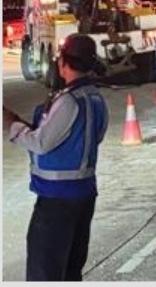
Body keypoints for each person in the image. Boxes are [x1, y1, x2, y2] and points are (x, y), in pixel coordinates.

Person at [3, 33, 109, 281]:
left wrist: (11, 125)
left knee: (45, 272)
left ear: (62, 62)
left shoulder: (69, 101)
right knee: (70, 271)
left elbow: (40, 143)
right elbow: (92, 136)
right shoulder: (94, 97)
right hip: (83, 196)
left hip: (57, 200)